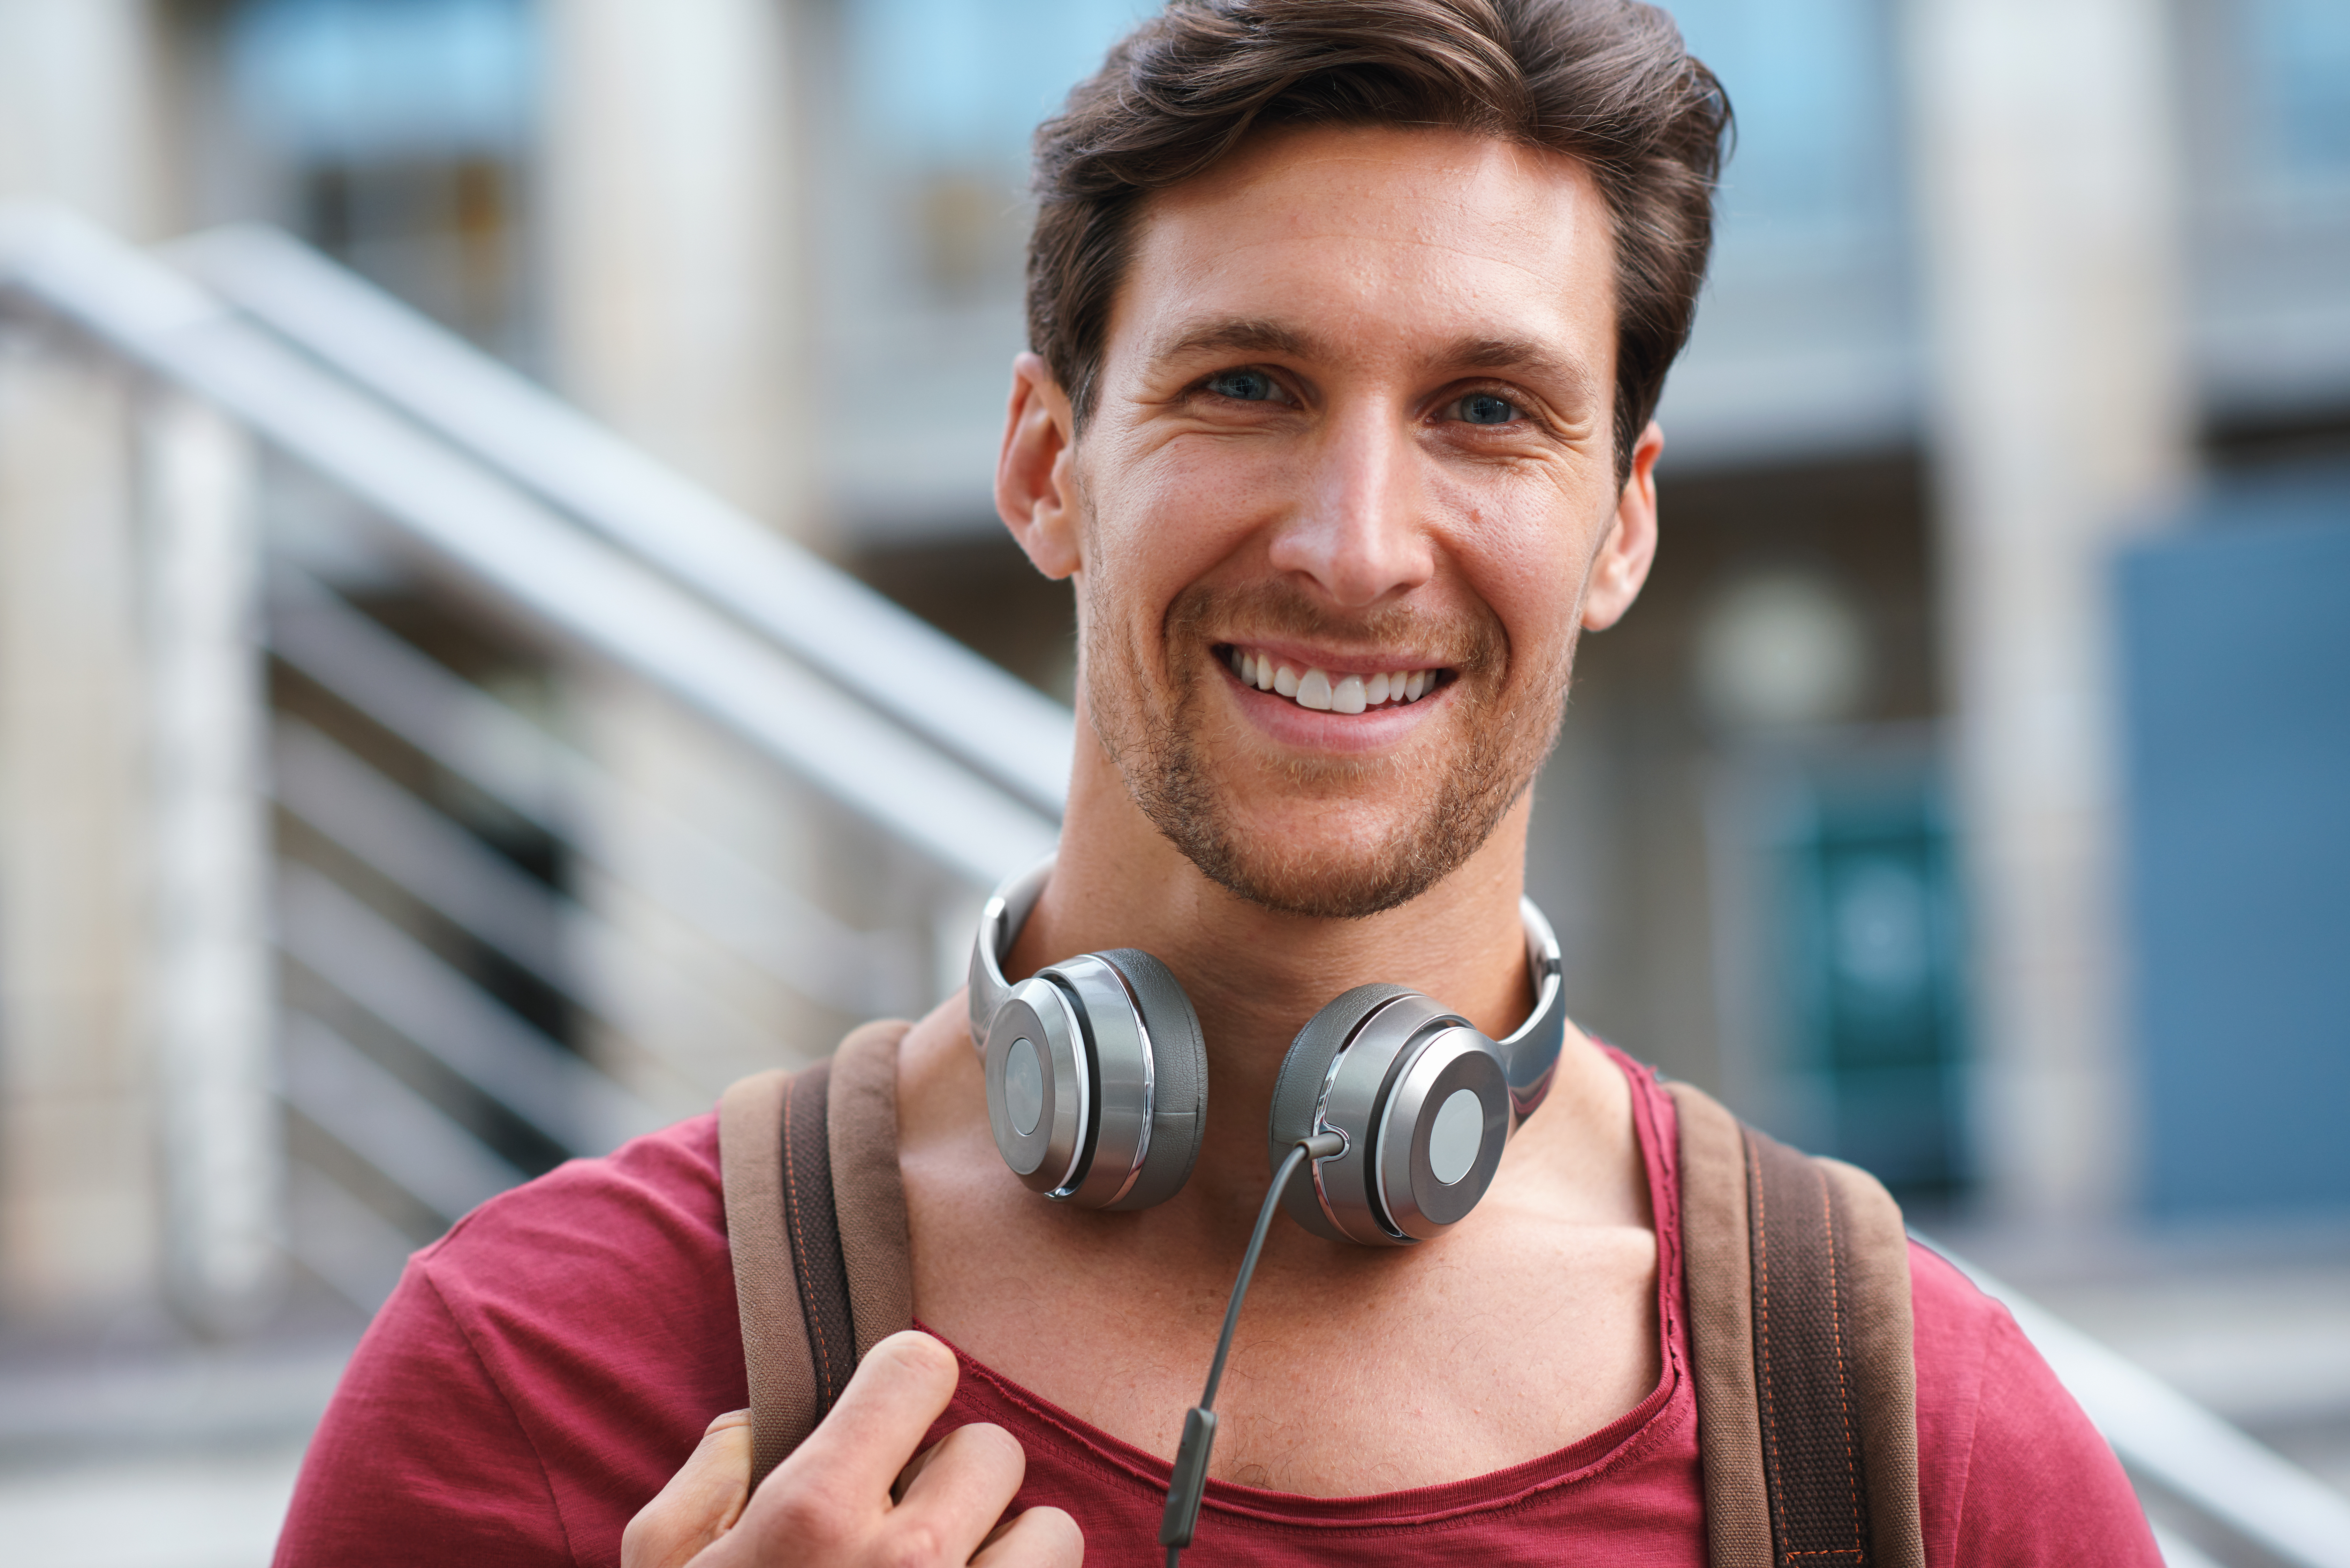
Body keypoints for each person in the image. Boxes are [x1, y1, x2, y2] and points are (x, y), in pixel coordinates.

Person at [275, 2, 2164, 1563]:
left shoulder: (1917, 1439)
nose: (1356, 548)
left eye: (1487, 411)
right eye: (1248, 385)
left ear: (1619, 528)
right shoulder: (538, 1376)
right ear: (1045, 465)